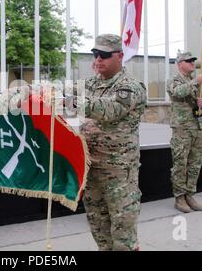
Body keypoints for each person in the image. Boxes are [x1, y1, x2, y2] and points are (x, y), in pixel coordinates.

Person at [78, 34, 147, 251]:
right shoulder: (90, 83)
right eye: (96, 54)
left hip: (119, 171)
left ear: (120, 56)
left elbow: (111, 110)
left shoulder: (130, 86)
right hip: (92, 167)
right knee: (98, 225)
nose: (98, 59)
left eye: (104, 55)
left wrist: (71, 100)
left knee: (122, 229)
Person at [166, 50, 202, 213]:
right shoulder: (174, 80)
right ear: (179, 64)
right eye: (188, 61)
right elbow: (177, 92)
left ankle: (190, 194)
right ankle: (179, 197)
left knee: (195, 163)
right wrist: (195, 81)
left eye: (193, 61)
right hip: (182, 129)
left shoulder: (200, 82)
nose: (192, 63)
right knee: (181, 163)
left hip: (198, 128)